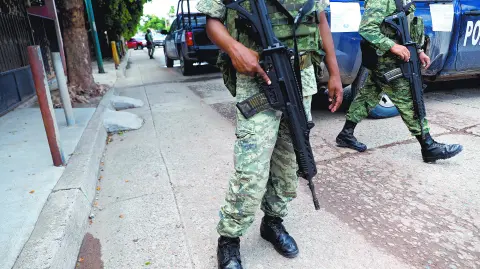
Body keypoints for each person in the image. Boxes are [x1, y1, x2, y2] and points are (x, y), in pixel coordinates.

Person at [196, 0, 343, 268]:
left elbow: (320, 19)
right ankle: (229, 238)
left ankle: (273, 222)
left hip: (302, 77)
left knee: (289, 160)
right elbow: (212, 20)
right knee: (251, 167)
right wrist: (234, 48)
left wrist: (334, 73)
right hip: (257, 74)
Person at [336, 0, 463, 163]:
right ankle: (428, 146)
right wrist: (392, 46)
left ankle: (346, 134)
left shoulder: (404, 1)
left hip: (397, 60)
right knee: (410, 99)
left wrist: (418, 50)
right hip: (385, 62)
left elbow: (406, 29)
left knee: (367, 95)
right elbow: (367, 29)